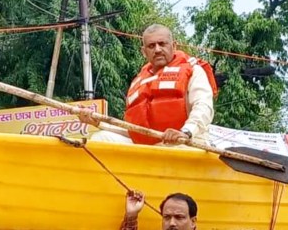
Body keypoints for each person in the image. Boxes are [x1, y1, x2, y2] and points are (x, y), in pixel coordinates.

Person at [78, 24, 217, 146]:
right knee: (101, 138)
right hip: (151, 147)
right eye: (151, 46)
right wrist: (98, 122)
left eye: (162, 44)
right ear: (144, 52)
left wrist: (186, 132)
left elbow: (203, 107)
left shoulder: (193, 70)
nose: (157, 49)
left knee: (178, 145)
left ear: (174, 46)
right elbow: (134, 130)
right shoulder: (139, 81)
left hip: (185, 143)